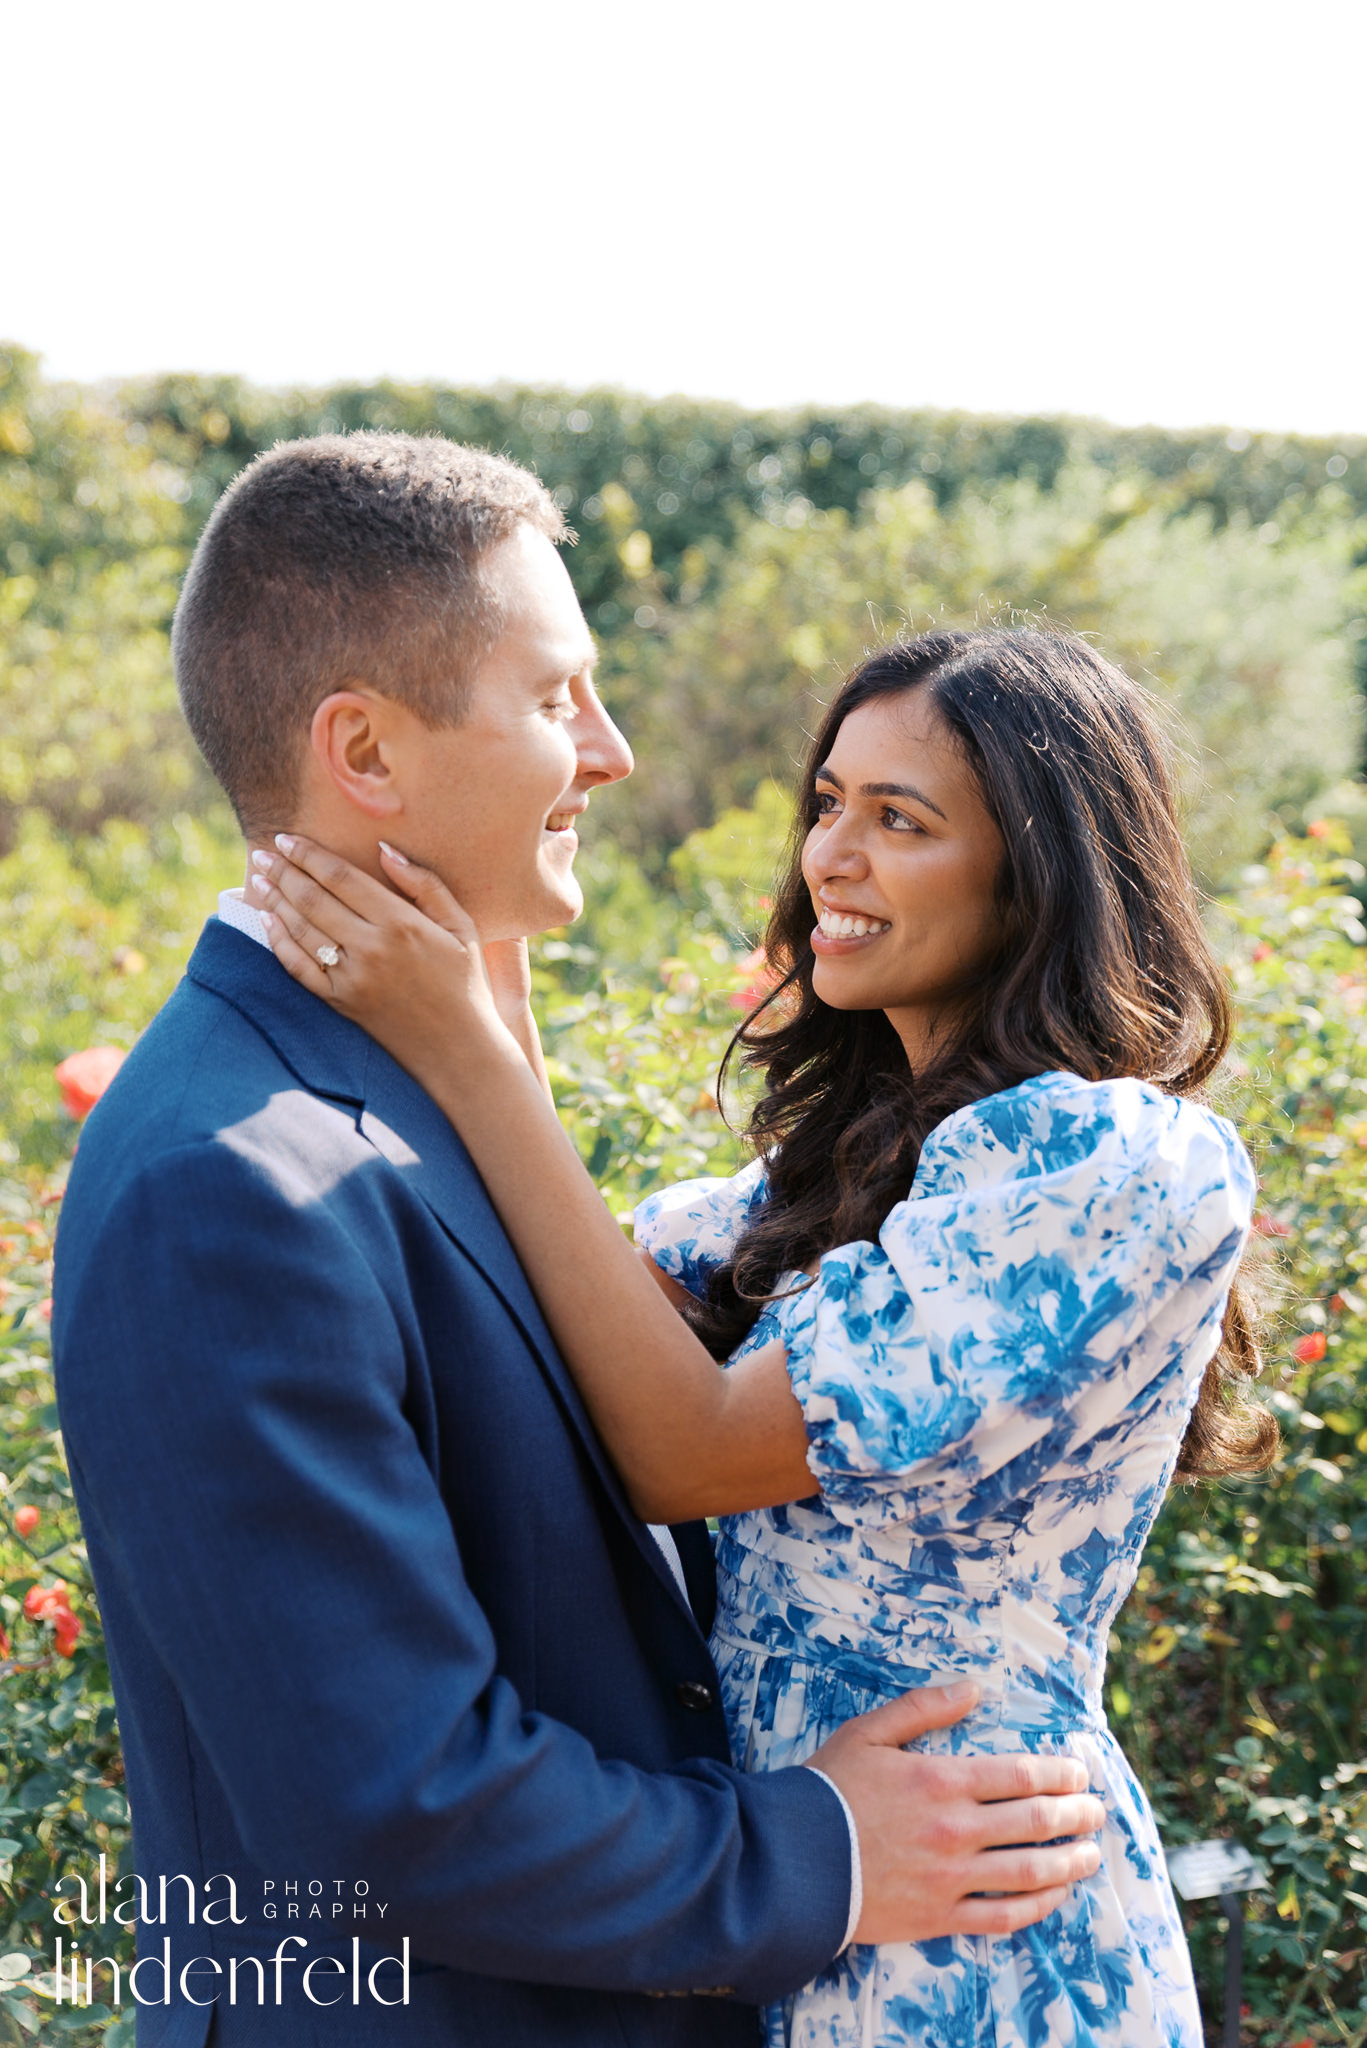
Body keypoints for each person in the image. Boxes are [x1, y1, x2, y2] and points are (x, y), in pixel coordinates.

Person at [51, 439, 1103, 2048]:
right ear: (365, 754)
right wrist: (818, 1853)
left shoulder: (394, 1096)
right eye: (559, 699)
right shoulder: (230, 1181)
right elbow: (400, 1801)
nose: (609, 753)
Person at [251, 623, 1279, 2048]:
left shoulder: (1107, 1161)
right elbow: (593, 1323)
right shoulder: (840, 1176)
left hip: (975, 1927)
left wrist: (472, 1058)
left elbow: (693, 1448)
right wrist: (495, 991)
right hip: (799, 1881)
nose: (829, 858)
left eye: (898, 819)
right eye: (828, 805)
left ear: (1039, 870)